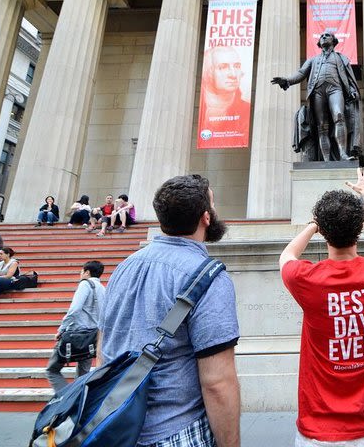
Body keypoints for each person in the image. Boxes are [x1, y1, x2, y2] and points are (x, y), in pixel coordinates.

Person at [99, 175, 239, 447]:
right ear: (206, 218)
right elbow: (217, 383)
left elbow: (104, 344)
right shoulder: (210, 278)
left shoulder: (124, 267)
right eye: (212, 205)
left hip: (116, 431)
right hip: (177, 431)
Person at [279, 167, 364, 446]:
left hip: (318, 431)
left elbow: (287, 255)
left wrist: (313, 224)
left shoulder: (307, 278)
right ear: (359, 229)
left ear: (323, 232)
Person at [272, 32, 361, 161]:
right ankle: (325, 160)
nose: (324, 37)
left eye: (327, 35)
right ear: (319, 43)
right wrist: (287, 80)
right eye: (322, 36)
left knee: (339, 116)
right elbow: (301, 73)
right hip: (317, 92)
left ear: (334, 41)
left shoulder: (341, 58)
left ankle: (343, 154)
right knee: (322, 127)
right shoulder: (313, 60)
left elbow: (348, 77)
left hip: (335, 90)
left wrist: (352, 89)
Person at [46, 260, 106, 393]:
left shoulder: (85, 284)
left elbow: (75, 310)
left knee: (52, 370)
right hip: (92, 336)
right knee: (83, 374)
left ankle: (64, 397)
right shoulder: (102, 288)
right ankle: (78, 403)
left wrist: (61, 328)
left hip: (76, 333)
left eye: (81, 271)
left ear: (87, 272)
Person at [198, 46, 252, 143]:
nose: (233, 75)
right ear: (208, 73)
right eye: (223, 67)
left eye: (237, 66)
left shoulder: (246, 109)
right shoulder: (202, 109)